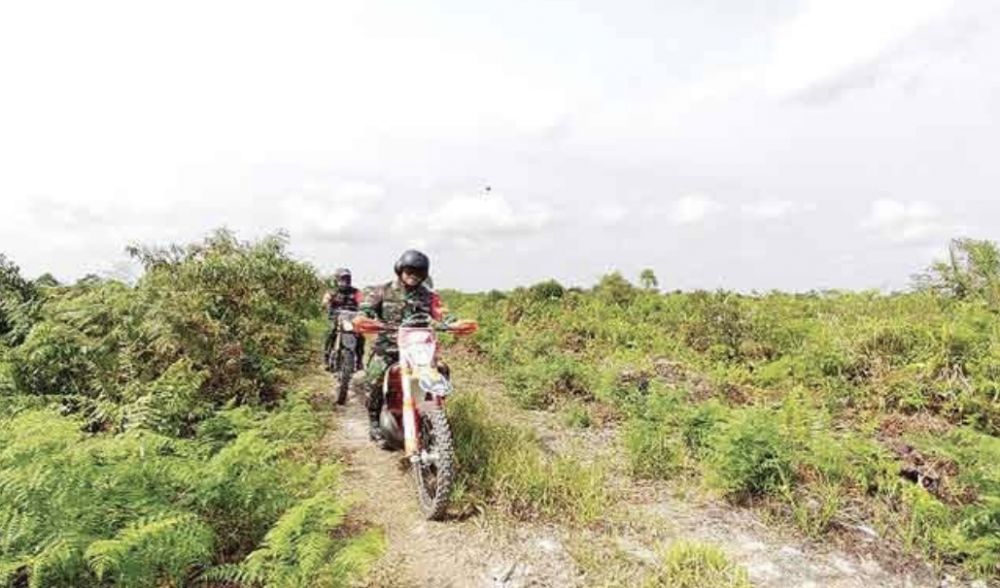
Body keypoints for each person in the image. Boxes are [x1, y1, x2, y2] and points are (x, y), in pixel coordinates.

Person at [357, 250, 446, 441]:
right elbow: (364, 309)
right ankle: (373, 421)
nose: (413, 276)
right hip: (388, 349)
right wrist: (364, 318)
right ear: (400, 269)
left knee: (442, 371)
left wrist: (454, 323)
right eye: (409, 271)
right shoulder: (382, 291)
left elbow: (441, 314)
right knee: (374, 379)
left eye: (418, 272)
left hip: (419, 351)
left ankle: (433, 415)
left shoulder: (428, 296)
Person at [322, 268, 362, 368]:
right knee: (330, 331)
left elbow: (362, 301)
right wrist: (326, 303)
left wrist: (363, 307)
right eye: (343, 278)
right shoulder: (332, 292)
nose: (345, 281)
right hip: (336, 317)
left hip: (352, 319)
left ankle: (359, 360)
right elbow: (326, 300)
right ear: (337, 279)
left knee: (360, 335)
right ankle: (326, 357)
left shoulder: (355, 292)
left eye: (347, 278)